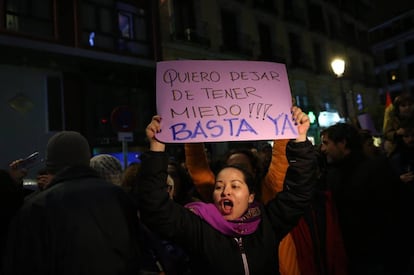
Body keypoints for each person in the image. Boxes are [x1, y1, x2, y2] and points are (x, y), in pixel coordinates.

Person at [136, 106, 317, 274]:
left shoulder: (268, 223)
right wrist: (157, 148)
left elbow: (298, 193)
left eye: (235, 185)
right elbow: (154, 206)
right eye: (219, 186)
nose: (226, 192)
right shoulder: (198, 228)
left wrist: (300, 140)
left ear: (251, 196)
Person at [2, 131, 144, 275]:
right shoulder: (119, 197)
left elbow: (24, 263)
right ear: (87, 158)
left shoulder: (37, 207)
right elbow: (135, 253)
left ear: (51, 164)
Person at [320, 123, 403, 275]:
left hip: (381, 257)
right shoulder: (332, 175)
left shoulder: (377, 169)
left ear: (342, 143)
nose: (322, 149)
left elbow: (397, 212)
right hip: (352, 257)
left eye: (326, 143)